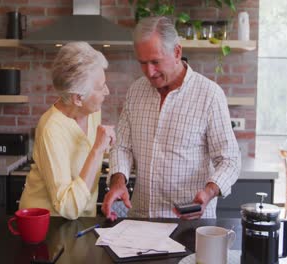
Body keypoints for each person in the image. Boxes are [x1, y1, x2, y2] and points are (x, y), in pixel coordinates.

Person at [102, 16, 241, 220]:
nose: (149, 72)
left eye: (155, 62)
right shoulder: (136, 91)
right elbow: (122, 146)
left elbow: (230, 160)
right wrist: (117, 181)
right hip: (141, 221)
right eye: (143, 63)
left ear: (177, 52)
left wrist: (209, 192)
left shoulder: (209, 95)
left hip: (188, 224)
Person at [19, 42, 115, 220]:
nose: (107, 91)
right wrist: (97, 149)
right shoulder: (51, 129)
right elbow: (68, 207)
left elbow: (85, 162)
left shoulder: (92, 111)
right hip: (49, 224)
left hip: (84, 219)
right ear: (78, 98)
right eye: (101, 87)